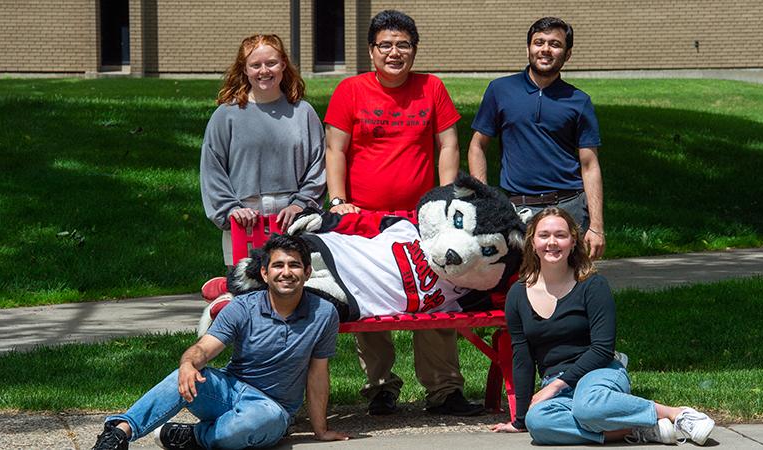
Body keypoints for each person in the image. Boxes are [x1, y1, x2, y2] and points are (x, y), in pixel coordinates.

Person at [323, 10, 481, 417]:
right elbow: (335, 149)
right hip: (365, 220)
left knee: (434, 295)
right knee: (371, 296)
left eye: (403, 45)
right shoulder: (350, 90)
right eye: (386, 45)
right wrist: (338, 199)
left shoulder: (431, 87)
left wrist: (446, 199)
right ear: (372, 51)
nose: (395, 53)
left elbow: (448, 144)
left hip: (421, 220)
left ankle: (444, 390)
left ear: (414, 49)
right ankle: (380, 388)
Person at [90, 235, 348, 450]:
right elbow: (203, 348)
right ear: (264, 272)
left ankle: (195, 436)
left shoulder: (324, 313)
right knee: (184, 373)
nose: (286, 272)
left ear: (307, 271)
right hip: (230, 390)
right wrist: (189, 364)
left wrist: (320, 430)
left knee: (246, 428)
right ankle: (118, 434)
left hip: (272, 408)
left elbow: (318, 373)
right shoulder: (242, 308)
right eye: (278, 265)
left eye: (294, 265)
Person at [492, 207, 715, 445]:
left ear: (572, 241)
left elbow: (602, 349)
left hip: (599, 372)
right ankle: (638, 430)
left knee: (588, 406)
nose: (552, 242)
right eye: (544, 235)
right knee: (539, 423)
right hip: (557, 385)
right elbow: (522, 356)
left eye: (560, 235)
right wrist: (520, 420)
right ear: (532, 241)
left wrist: (557, 385)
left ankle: (676, 414)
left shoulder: (592, 285)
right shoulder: (517, 294)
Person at [468, 17, 606, 260]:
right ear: (528, 48)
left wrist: (596, 226)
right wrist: (485, 200)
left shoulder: (579, 101)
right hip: (518, 209)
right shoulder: (500, 90)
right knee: (520, 285)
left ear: (568, 53)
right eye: (539, 42)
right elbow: (478, 145)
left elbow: (589, 164)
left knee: (572, 285)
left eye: (555, 44)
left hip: (569, 206)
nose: (545, 49)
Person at [200, 34, 326, 275]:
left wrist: (302, 205)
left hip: (292, 216)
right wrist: (229, 209)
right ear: (244, 70)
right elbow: (212, 169)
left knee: (294, 288)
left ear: (283, 65)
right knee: (246, 291)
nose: (264, 71)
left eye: (271, 63)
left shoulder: (303, 113)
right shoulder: (226, 115)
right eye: (255, 65)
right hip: (245, 216)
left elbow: (317, 166)